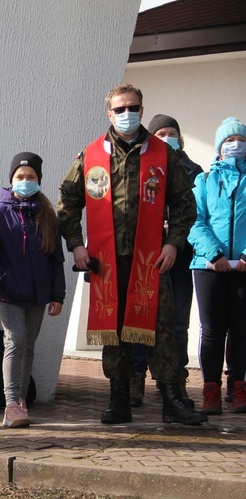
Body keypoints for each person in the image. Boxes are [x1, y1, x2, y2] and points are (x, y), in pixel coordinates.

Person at [57, 83, 207, 426]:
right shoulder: (91, 155)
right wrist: (77, 246)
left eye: (134, 107)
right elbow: (67, 204)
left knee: (163, 330)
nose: (128, 114)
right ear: (110, 114)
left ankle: (173, 402)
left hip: (151, 260)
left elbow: (185, 203)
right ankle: (119, 401)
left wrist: (174, 243)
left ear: (142, 108)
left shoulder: (162, 154)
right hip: (106, 264)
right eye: (120, 109)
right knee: (114, 332)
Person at [0, 152, 65, 427]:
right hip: (9, 295)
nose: (25, 181)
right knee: (14, 342)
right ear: (11, 180)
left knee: (27, 347)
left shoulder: (47, 215)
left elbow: (56, 259)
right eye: (20, 177)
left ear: (39, 180)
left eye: (31, 177)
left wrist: (57, 294)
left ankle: (22, 400)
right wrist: (4, 278)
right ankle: (11, 402)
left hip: (38, 296)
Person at [129, 115, 202, 408]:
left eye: (173, 133)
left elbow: (193, 212)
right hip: (145, 256)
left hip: (179, 257)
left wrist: (174, 237)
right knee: (140, 317)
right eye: (161, 132)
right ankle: (135, 377)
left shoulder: (194, 171)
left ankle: (174, 378)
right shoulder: (140, 165)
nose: (168, 137)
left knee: (176, 322)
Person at [188, 117, 246, 415]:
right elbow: (194, 220)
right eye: (229, 140)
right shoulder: (205, 180)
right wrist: (215, 255)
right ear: (219, 146)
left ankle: (238, 387)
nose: (235, 145)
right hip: (208, 266)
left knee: (241, 329)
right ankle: (210, 388)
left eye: (241, 140)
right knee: (212, 330)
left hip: (245, 268)